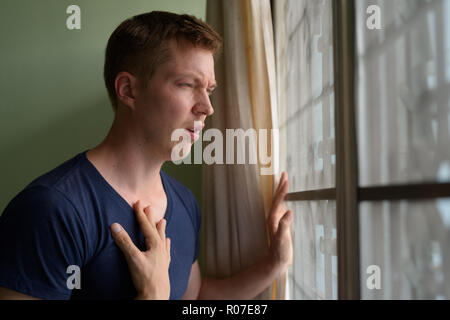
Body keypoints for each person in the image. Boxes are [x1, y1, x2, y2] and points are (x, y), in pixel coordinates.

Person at [0, 11, 293, 300]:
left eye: (209, 90)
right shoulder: (50, 210)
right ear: (128, 90)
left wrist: (274, 264)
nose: (207, 107)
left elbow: (193, 297)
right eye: (188, 85)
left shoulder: (184, 202)